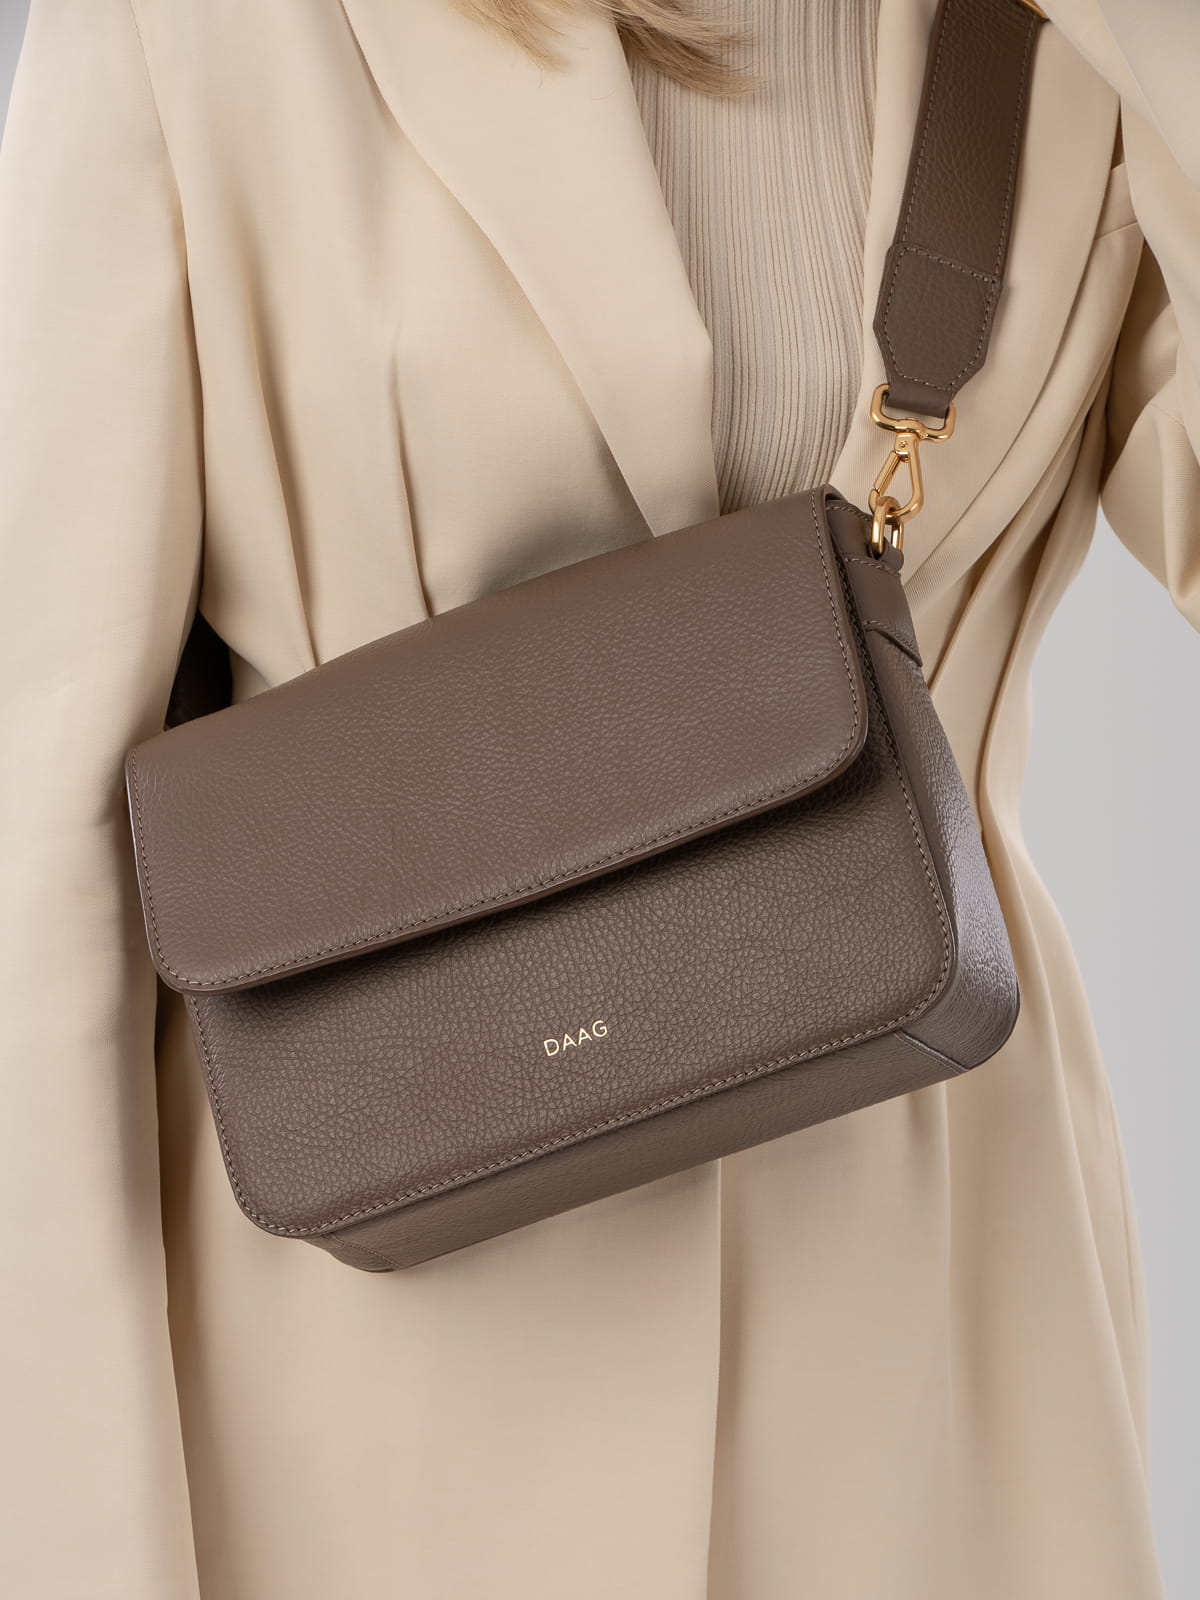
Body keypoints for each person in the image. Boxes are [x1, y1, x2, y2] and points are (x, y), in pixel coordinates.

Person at [0, 1, 1193, 1595]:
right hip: (363, 1384)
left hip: (929, 1343)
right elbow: (41, 824)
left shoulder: (1077, 44)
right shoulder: (194, 29)